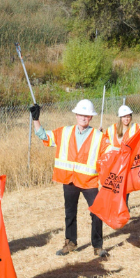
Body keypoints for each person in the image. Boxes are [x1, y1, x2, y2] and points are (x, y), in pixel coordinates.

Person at [30, 99, 111, 258]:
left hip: (89, 182)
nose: (83, 117)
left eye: (87, 115)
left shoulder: (99, 136)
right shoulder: (64, 132)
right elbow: (43, 136)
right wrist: (36, 120)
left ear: (91, 118)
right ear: (76, 115)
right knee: (70, 213)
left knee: (97, 213)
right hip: (69, 180)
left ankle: (98, 246)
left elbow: (111, 154)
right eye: (81, 114)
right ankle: (70, 243)